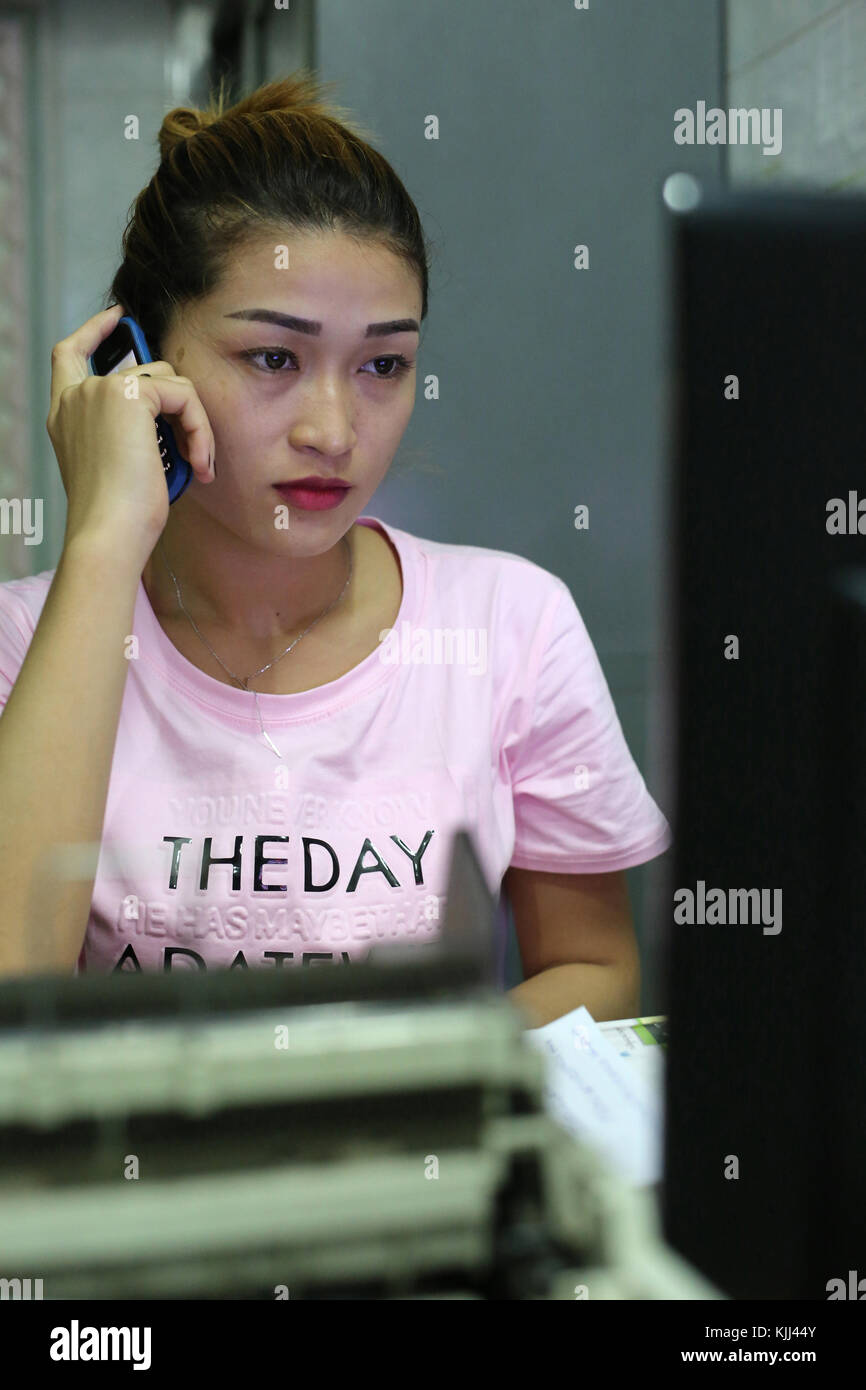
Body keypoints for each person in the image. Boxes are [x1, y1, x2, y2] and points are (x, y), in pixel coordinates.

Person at [0, 71, 671, 1024]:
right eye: (274, 357)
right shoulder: (24, 645)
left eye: (383, 366)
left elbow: (597, 971)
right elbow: (11, 1011)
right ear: (142, 364)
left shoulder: (510, 624)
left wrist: (371, 1087)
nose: (334, 429)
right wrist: (106, 540)